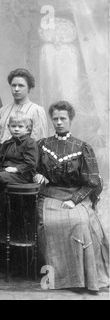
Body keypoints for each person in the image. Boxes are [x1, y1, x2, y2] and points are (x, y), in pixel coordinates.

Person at [33, 101, 109, 292]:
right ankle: (58, 279)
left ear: (70, 120)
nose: (59, 122)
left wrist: (74, 200)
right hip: (49, 194)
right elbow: (30, 167)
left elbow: (92, 181)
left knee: (81, 223)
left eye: (63, 119)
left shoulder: (83, 147)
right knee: (49, 225)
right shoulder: (42, 145)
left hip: (76, 195)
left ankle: (83, 279)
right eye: (55, 119)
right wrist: (36, 174)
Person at [0, 111, 38, 222]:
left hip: (22, 175)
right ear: (8, 127)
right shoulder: (7, 143)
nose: (16, 129)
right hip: (5, 172)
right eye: (13, 126)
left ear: (27, 129)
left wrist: (16, 169)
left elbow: (31, 163)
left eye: (20, 126)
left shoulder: (30, 143)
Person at [0, 68, 48, 155]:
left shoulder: (36, 110)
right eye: (13, 85)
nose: (16, 89)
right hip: (2, 160)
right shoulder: (2, 111)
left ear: (29, 88)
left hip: (24, 161)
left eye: (21, 85)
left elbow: (39, 142)